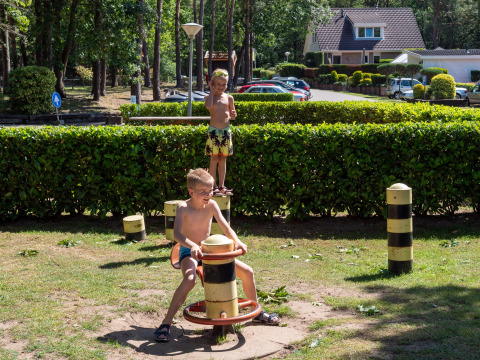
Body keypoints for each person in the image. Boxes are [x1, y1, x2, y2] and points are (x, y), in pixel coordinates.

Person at [154, 168, 281, 342]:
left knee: (248, 271)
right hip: (188, 250)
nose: (208, 195)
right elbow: (177, 235)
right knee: (190, 279)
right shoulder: (183, 207)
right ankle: (166, 323)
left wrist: (237, 241)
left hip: (209, 251)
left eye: (211, 190)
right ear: (191, 192)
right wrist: (191, 246)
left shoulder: (212, 205)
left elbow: (226, 227)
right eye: (203, 192)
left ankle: (256, 313)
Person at [204, 68, 236, 195]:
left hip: (226, 131)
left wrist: (233, 115)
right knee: (213, 159)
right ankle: (213, 186)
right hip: (213, 132)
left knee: (223, 160)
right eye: (219, 84)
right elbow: (209, 106)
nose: (222, 87)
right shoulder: (209, 97)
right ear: (212, 83)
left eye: (224, 84)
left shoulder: (229, 98)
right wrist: (212, 90)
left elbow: (233, 115)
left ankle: (222, 185)